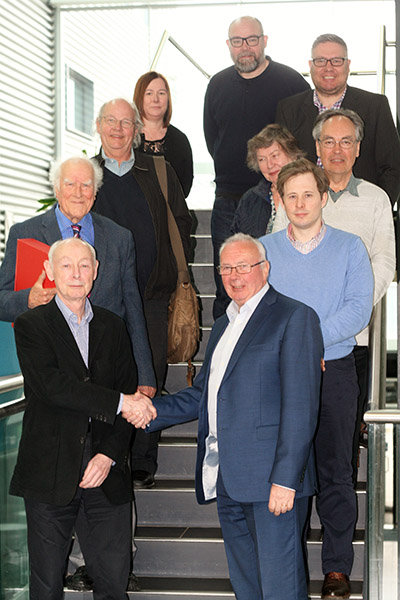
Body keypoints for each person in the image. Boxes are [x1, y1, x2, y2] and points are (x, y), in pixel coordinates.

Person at [127, 234, 324, 599]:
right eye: (226, 268)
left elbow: (301, 407)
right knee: (246, 584)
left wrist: (286, 480)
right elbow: (203, 395)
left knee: (281, 586)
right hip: (229, 478)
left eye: (243, 267)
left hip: (272, 484)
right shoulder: (222, 324)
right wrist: (148, 410)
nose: (234, 276)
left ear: (264, 269)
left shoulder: (294, 317)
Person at [0, 155, 154, 592]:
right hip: (49, 467)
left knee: (112, 582)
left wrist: (108, 452)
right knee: (46, 584)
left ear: (95, 272)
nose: (76, 274)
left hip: (104, 466)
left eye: (84, 267)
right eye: (66, 267)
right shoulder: (33, 324)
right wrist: (27, 299)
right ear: (51, 269)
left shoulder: (111, 321)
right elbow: (52, 387)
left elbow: (125, 370)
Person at [260, 159, 374, 599]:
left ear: (324, 197)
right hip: (281, 376)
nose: (301, 202)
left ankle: (336, 570)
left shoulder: (349, 247)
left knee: (335, 473)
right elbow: (259, 311)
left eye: (309, 194)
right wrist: (298, 353)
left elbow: (357, 309)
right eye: (292, 195)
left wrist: (308, 345)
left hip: (336, 373)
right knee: (288, 471)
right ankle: (288, 567)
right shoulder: (264, 250)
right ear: (280, 200)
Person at [273, 109, 396, 482]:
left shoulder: (376, 199)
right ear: (317, 147)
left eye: (346, 142)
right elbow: (281, 258)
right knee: (295, 448)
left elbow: (384, 262)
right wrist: (304, 335)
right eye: (329, 141)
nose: (337, 149)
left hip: (352, 341)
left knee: (338, 450)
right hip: (294, 345)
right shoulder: (298, 194)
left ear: (358, 149)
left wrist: (349, 310)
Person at [93, 98, 192, 490]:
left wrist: (171, 267)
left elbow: (181, 221)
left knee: (148, 373)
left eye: (126, 123)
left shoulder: (158, 170)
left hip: (151, 293)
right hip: (98, 299)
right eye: (110, 122)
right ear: (98, 127)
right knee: (105, 376)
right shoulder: (88, 174)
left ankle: (144, 457)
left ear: (137, 130)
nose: (118, 129)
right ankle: (110, 453)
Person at [203, 15, 310, 318]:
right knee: (228, 281)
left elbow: (300, 139)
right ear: (229, 45)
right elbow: (213, 138)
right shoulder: (218, 84)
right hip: (229, 198)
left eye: (251, 40)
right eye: (238, 41)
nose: (245, 47)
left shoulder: (289, 81)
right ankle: (226, 352)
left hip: (277, 197)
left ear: (264, 41)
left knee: (276, 278)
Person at [275, 33, 400, 205]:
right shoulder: (288, 109)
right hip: (305, 211)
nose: (328, 68)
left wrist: (376, 208)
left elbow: (393, 167)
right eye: (320, 61)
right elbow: (281, 168)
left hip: (359, 209)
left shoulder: (375, 106)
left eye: (336, 61)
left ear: (348, 65)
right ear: (310, 66)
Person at [231, 123, 305, 238]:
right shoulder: (251, 200)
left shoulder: (312, 193)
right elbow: (237, 243)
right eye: (262, 159)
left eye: (274, 156)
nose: (269, 165)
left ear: (292, 155)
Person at [134, 71, 194, 197]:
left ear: (168, 99)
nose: (155, 99)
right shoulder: (125, 137)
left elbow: (185, 186)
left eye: (161, 93)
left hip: (170, 214)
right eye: (149, 93)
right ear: (140, 97)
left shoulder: (180, 140)